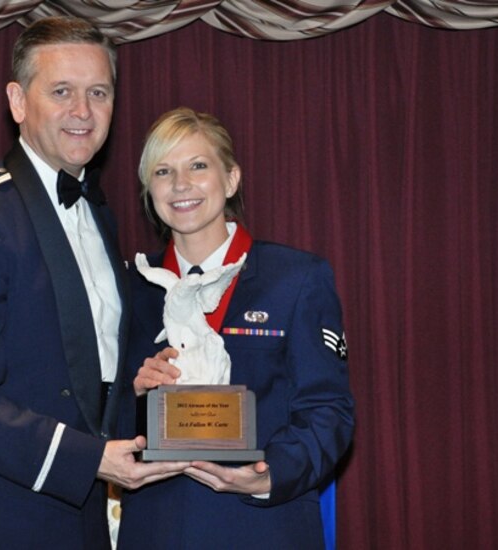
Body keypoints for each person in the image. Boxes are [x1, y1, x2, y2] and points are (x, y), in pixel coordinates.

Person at [0, 17, 186, 549]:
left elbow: (74, 369)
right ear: (17, 101)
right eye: (62, 91)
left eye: (98, 92)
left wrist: (134, 388)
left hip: (80, 509)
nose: (82, 111)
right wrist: (87, 460)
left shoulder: (100, 213)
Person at [116, 107, 355, 549]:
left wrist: (265, 475)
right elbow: (93, 417)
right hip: (156, 528)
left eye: (198, 166)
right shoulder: (128, 290)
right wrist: (132, 396)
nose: (181, 184)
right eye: (163, 171)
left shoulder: (296, 279)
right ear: (150, 190)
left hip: (263, 526)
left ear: (231, 179)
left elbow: (328, 411)